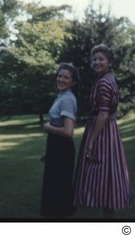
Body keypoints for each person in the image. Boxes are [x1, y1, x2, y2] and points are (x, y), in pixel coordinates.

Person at [73, 44, 131, 219]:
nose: (97, 62)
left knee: (104, 174)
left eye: (101, 59)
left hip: (103, 133)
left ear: (110, 62)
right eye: (95, 59)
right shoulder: (106, 78)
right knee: (106, 175)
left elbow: (103, 114)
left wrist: (91, 141)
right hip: (108, 131)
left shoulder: (105, 82)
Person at [40, 62, 80, 218]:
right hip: (57, 148)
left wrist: (48, 127)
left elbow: (68, 131)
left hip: (62, 150)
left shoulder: (67, 99)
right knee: (54, 190)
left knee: (59, 192)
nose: (61, 79)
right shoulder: (61, 96)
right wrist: (49, 152)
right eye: (59, 76)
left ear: (73, 82)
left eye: (66, 77)